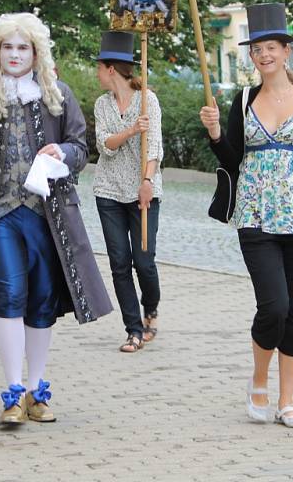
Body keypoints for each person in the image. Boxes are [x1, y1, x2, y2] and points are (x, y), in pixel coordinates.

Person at [199, 2, 293, 428]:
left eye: (271, 47)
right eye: (257, 49)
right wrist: (215, 134)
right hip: (255, 216)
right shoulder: (243, 100)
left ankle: (287, 402)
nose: (263, 55)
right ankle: (259, 378)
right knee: (275, 306)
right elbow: (232, 159)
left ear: (286, 52)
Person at [0, 13, 113, 425]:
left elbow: (81, 145)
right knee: (9, 296)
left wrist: (63, 153)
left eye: (22, 47)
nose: (14, 54)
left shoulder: (56, 94)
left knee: (42, 300)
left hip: (48, 216)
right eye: (7, 47)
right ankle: (11, 391)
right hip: (2, 215)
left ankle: (35, 389)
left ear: (36, 52)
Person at [92, 31, 163, 353]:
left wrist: (147, 182)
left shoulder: (148, 100)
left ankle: (151, 308)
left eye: (99, 67)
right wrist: (132, 130)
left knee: (144, 261)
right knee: (119, 262)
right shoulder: (101, 105)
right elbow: (105, 146)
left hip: (142, 189)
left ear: (110, 69)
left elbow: (156, 148)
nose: (97, 73)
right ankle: (133, 329)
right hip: (108, 191)